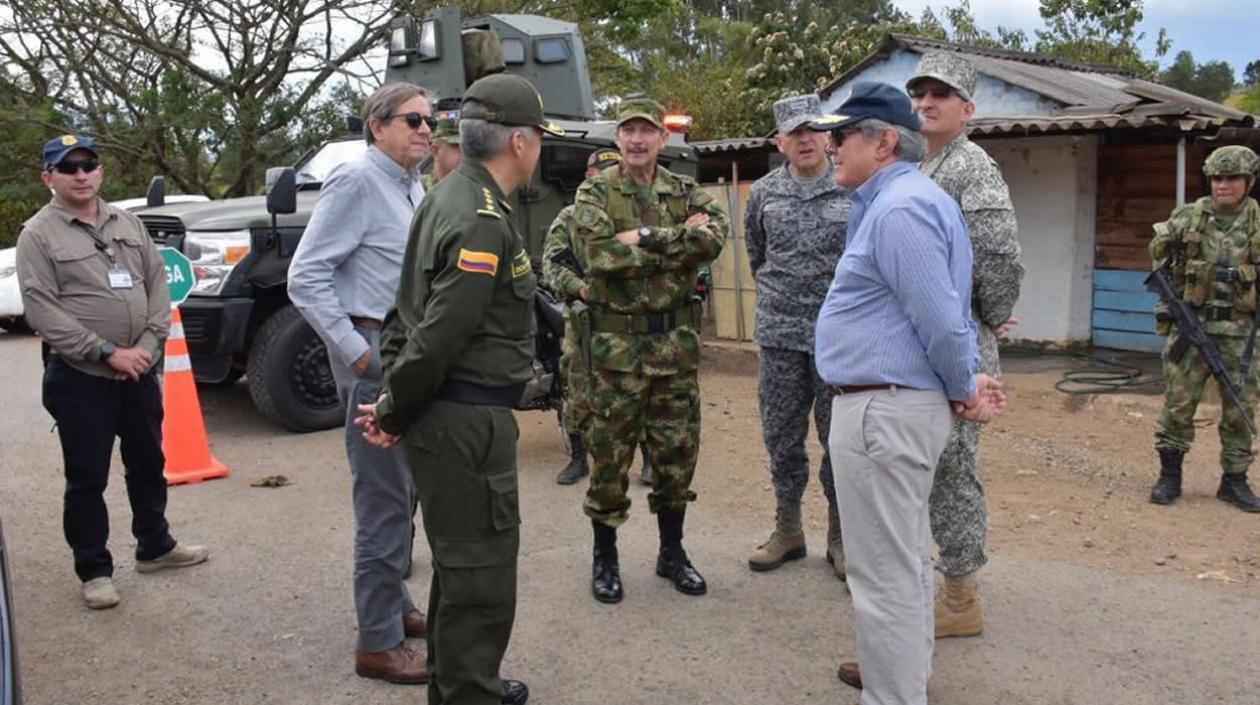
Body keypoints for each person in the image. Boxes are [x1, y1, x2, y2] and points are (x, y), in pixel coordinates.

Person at [354, 72, 561, 705]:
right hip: (465, 421)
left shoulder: (447, 196)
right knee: (481, 571)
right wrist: (395, 407)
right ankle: (470, 691)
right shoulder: (478, 217)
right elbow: (439, 332)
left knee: (459, 559)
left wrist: (396, 398)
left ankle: (455, 681)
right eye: (539, 140)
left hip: (449, 414)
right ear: (520, 142)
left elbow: (400, 313)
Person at [808, 82, 1005, 705]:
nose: (830, 146)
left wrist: (962, 385)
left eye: (841, 136)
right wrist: (961, 381)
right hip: (890, 405)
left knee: (883, 574)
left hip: (883, 409)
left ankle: (893, 697)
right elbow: (934, 314)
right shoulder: (902, 200)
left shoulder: (899, 208)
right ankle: (905, 678)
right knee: (905, 562)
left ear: (884, 140)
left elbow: (942, 317)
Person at [16, 134, 209, 610]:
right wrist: (107, 352)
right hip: (83, 378)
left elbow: (157, 282)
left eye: (88, 165)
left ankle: (155, 546)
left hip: (140, 370)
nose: (80, 174)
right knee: (87, 478)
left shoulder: (127, 222)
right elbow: (42, 310)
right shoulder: (37, 235)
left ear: (100, 172)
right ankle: (94, 570)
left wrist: (145, 346)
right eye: (68, 168)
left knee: (148, 464)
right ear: (49, 178)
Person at [287, 83, 433, 684]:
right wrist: (357, 354)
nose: (426, 128)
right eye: (413, 119)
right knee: (382, 498)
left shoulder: (410, 184)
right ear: (377, 126)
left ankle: (395, 605)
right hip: (375, 353)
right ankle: (377, 642)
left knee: (403, 493)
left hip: (404, 352)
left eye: (431, 119)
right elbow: (305, 277)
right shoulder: (356, 181)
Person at [570, 96, 728, 604]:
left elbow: (714, 242)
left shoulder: (684, 189)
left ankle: (672, 554)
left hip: (674, 353)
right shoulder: (594, 190)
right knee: (610, 460)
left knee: (676, 455)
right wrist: (677, 242)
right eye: (628, 131)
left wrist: (642, 236)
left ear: (663, 138)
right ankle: (606, 560)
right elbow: (597, 255)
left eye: (647, 131)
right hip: (616, 354)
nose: (637, 140)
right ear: (617, 139)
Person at [906, 50, 1025, 638]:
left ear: (967, 108)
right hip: (928, 342)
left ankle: (960, 597)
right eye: (920, 94)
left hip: (960, 343)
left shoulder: (970, 165)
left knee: (952, 471)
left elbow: (1000, 254)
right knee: (928, 466)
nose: (926, 103)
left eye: (941, 95)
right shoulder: (928, 165)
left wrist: (989, 315)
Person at [744, 93, 851, 577]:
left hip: (840, 340)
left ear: (828, 136)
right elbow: (756, 256)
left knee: (841, 442)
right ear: (781, 141)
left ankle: (840, 535)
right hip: (781, 337)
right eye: (794, 132)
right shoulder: (763, 193)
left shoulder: (854, 188)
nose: (805, 139)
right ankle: (788, 530)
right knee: (782, 439)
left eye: (813, 129)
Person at [1149, 145, 1260, 513]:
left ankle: (1234, 481)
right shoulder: (1188, 219)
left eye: (1231, 178)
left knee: (1240, 407)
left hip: (1242, 332)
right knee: (1179, 403)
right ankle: (1170, 476)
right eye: (1217, 178)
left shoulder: (1257, 224)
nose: (1223, 185)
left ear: (1249, 181)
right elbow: (1159, 259)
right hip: (1192, 324)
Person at [542, 148, 620, 486]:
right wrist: (581, 288)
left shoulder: (634, 214)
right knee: (575, 388)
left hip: (630, 321)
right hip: (584, 319)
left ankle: (646, 458)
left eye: (614, 170)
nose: (606, 176)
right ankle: (578, 458)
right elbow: (552, 264)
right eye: (600, 171)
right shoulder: (570, 217)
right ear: (589, 175)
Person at [423, 109, 462, 190]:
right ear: (435, 151)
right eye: (461, 149)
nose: (469, 157)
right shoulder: (417, 191)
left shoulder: (481, 193)